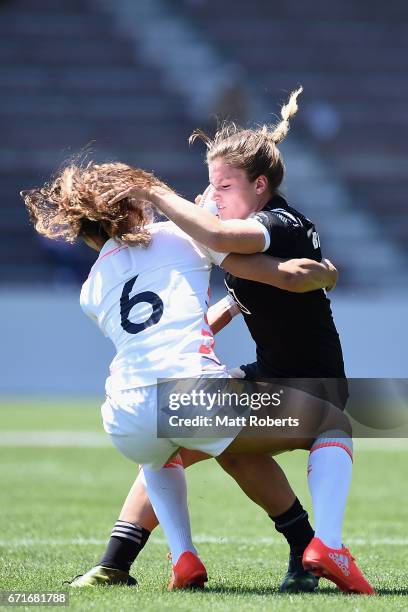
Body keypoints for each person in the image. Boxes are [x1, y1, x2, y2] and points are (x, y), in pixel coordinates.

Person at [90, 87, 374, 595]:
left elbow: (222, 242)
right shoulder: (247, 234)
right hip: (271, 376)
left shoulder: (280, 222)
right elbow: (246, 291)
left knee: (324, 426)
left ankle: (311, 547)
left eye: (223, 185)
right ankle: (117, 561)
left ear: (260, 186)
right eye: (209, 185)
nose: (213, 196)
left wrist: (157, 194)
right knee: (187, 434)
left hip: (315, 388)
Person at [21, 161, 337, 591]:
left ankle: (131, 561)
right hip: (195, 396)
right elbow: (266, 271)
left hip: (126, 412)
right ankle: (306, 548)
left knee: (168, 449)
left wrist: (227, 306)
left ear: (85, 231)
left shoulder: (90, 290)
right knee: (313, 428)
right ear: (136, 209)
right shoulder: (181, 237)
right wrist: (319, 273)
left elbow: (171, 326)